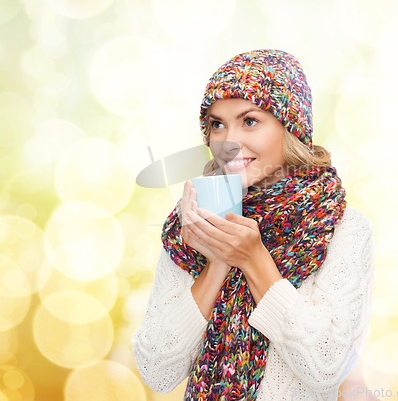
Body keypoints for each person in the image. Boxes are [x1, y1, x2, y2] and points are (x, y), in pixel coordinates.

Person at [132, 49, 374, 401]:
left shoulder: (342, 226)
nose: (229, 142)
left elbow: (325, 367)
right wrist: (217, 260)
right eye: (217, 124)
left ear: (290, 127)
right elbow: (157, 370)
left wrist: (252, 258)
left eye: (249, 121)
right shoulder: (193, 224)